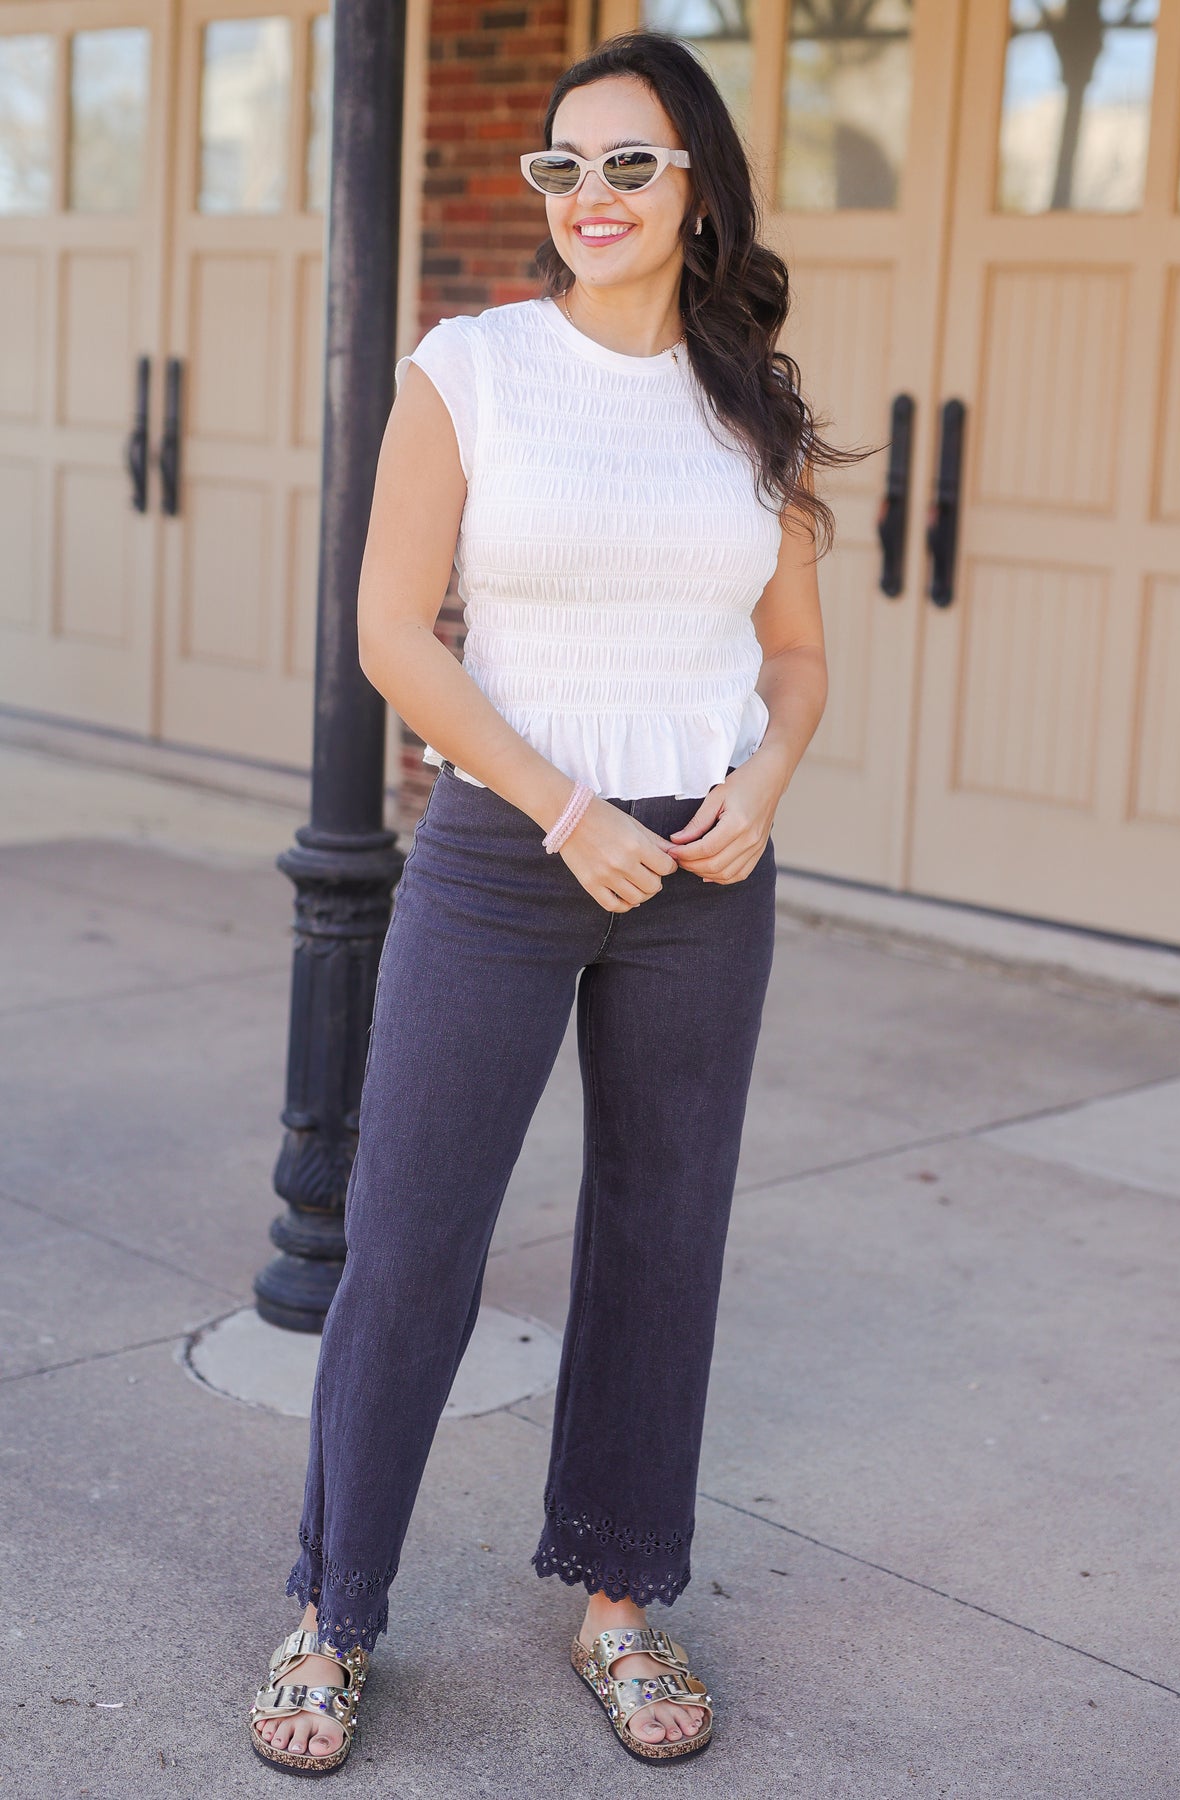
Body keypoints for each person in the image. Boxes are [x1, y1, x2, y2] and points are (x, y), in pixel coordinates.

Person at [248, 26, 853, 1775]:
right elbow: (385, 634)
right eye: (563, 168)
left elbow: (797, 658)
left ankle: (618, 1595)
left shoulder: (754, 402)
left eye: (631, 164)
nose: (590, 195)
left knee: (664, 1238)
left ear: (699, 188)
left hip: (704, 869)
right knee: (415, 1233)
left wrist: (766, 776)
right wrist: (560, 801)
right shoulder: (474, 368)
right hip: (514, 850)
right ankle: (332, 1609)